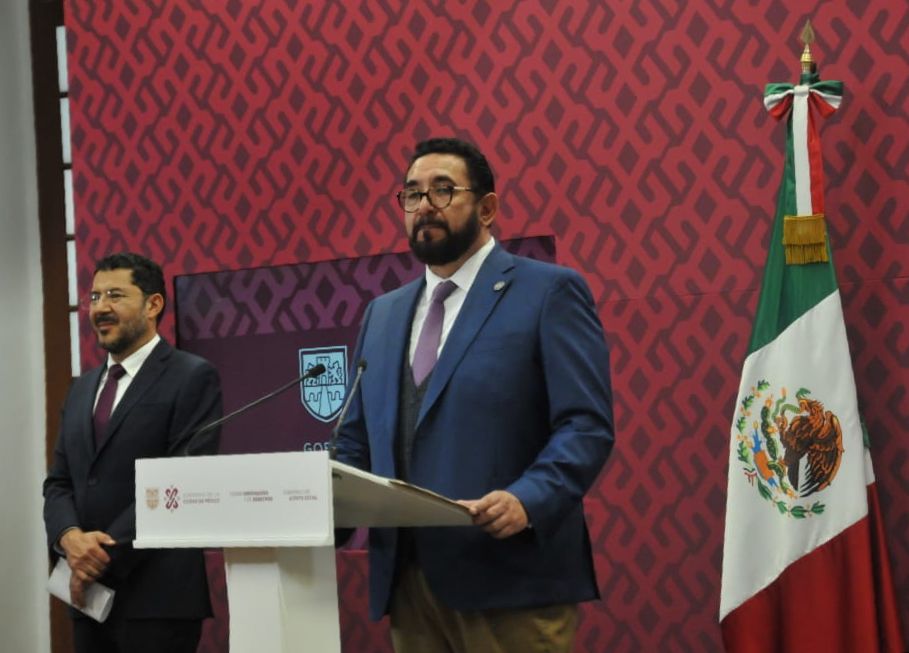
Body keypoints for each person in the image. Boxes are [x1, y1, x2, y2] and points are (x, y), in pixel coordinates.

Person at [335, 138, 614, 652]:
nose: (425, 206)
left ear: (487, 208)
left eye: (443, 190)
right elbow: (355, 440)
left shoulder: (548, 292)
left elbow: (585, 425)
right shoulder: (383, 313)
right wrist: (322, 504)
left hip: (510, 578)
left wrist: (529, 498)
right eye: (412, 194)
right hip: (409, 585)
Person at [43, 253, 223, 653]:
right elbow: (59, 482)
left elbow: (183, 481)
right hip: (86, 599)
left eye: (115, 295)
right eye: (94, 297)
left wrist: (98, 557)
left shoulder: (192, 376)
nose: (100, 308)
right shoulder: (81, 389)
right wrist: (69, 538)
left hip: (158, 598)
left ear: (153, 304)